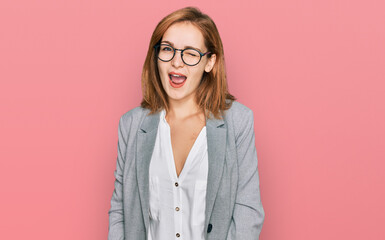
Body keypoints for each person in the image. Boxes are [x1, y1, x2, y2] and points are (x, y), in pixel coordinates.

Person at [108, 6, 265, 240]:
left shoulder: (238, 122)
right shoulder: (130, 125)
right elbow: (120, 211)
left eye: (190, 53)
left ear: (210, 63)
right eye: (167, 49)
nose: (176, 63)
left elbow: (248, 212)